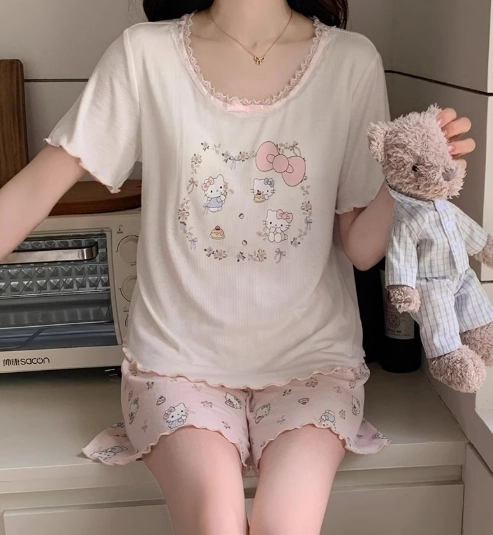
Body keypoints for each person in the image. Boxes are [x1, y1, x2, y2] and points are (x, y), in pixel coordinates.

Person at [0, 1, 475, 534]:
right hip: (176, 365)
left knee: (286, 526)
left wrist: (409, 183)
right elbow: (39, 185)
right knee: (214, 523)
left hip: (314, 365)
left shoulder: (351, 61)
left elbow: (362, 249)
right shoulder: (145, 55)